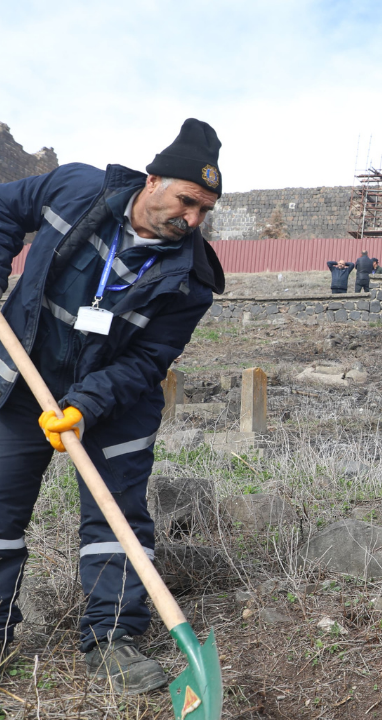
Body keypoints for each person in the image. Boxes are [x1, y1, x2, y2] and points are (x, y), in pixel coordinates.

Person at [0, 119, 226, 693]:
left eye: (206, 211)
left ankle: (111, 639)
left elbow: (149, 361)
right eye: (187, 201)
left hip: (114, 400)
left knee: (116, 520)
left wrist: (84, 405)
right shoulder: (74, 190)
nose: (194, 219)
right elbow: (3, 212)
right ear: (152, 181)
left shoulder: (192, 278)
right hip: (23, 380)